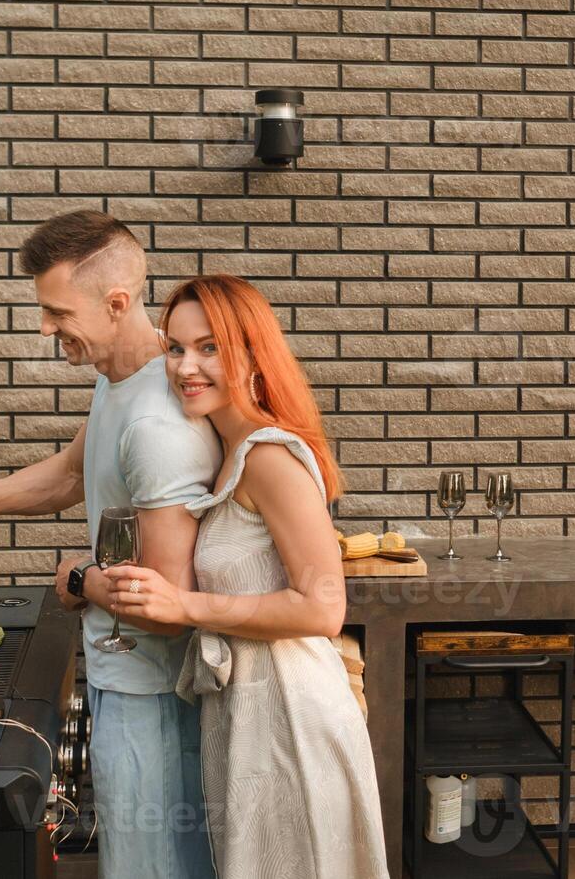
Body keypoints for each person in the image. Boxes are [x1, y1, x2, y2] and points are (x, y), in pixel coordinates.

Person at [0, 210, 219, 879]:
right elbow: (71, 473)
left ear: (117, 303)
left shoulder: (160, 424)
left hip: (151, 695)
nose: (44, 328)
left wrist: (75, 580)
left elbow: (162, 599)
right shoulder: (119, 379)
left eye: (56, 311)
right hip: (123, 682)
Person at [106, 275, 390, 879]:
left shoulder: (268, 456)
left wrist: (186, 606)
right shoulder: (225, 448)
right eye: (176, 347)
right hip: (247, 718)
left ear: (252, 352)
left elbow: (321, 610)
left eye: (210, 348)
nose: (187, 366)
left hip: (294, 718)